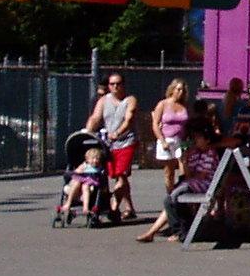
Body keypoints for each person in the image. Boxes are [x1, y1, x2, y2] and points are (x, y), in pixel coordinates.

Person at [136, 124, 222, 242]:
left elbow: (202, 175)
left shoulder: (210, 154)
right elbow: (189, 174)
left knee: (173, 198)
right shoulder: (195, 153)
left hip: (204, 185)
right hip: (192, 183)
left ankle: (178, 231)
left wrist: (189, 172)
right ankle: (170, 230)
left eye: (198, 138)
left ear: (207, 140)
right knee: (170, 199)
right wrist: (183, 162)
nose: (195, 140)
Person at [85, 72, 140, 221]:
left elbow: (129, 119)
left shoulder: (130, 100)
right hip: (109, 144)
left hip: (127, 142)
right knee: (114, 175)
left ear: (123, 85)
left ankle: (113, 207)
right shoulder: (103, 100)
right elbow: (95, 118)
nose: (115, 86)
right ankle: (129, 208)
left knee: (121, 175)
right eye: (112, 84)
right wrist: (87, 131)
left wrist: (118, 132)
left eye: (118, 83)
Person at [149, 80, 192, 192]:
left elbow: (187, 123)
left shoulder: (184, 106)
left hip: (181, 140)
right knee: (169, 171)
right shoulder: (163, 104)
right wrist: (162, 141)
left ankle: (182, 192)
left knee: (184, 166)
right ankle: (170, 195)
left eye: (183, 90)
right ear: (172, 90)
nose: (181, 92)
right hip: (167, 140)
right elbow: (155, 123)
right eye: (178, 89)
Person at [59, 143, 107, 222]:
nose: (95, 160)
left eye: (97, 158)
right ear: (87, 159)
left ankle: (86, 207)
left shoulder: (100, 168)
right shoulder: (84, 165)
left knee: (86, 186)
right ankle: (68, 203)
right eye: (92, 158)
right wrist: (79, 171)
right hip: (79, 183)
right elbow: (76, 172)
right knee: (76, 182)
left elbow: (103, 177)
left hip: (90, 183)